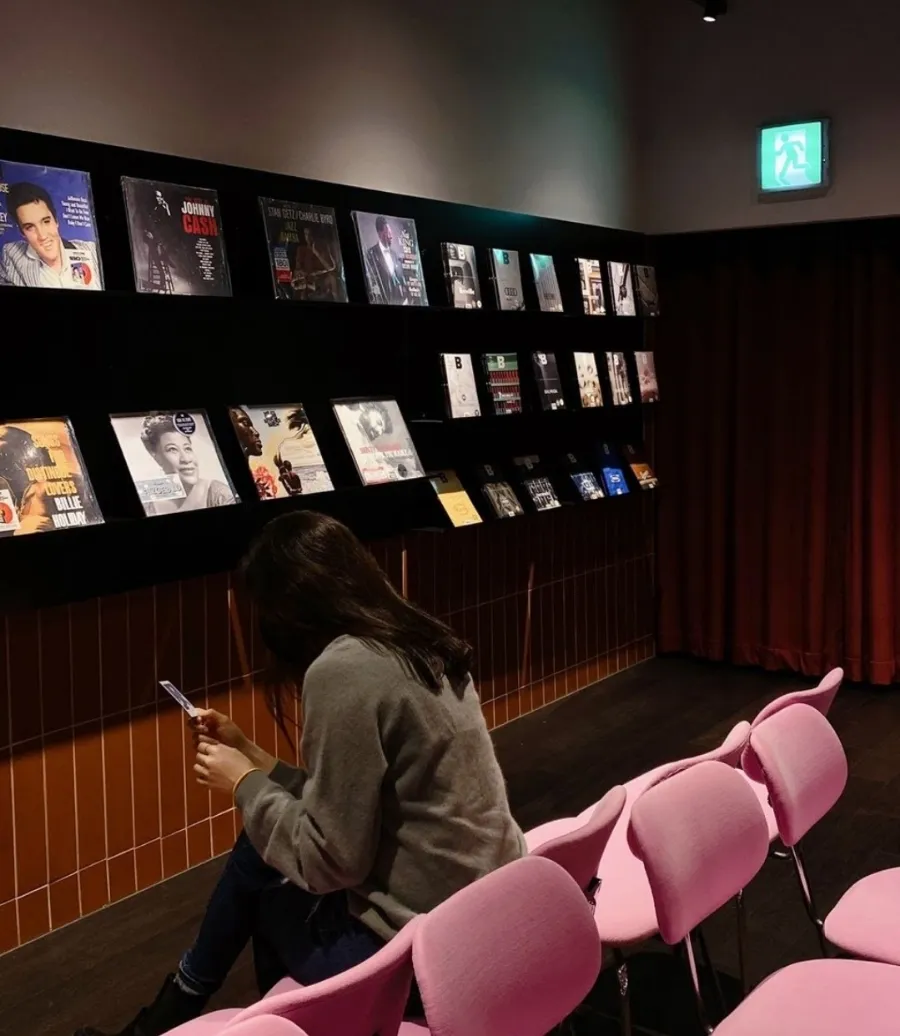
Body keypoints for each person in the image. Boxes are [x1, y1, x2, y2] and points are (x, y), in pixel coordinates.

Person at [76, 511, 525, 1036]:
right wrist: (249, 754)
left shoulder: (343, 671)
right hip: (493, 913)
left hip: (422, 957)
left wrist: (243, 785)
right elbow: (350, 799)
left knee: (262, 884)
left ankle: (195, 1012)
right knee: (261, 847)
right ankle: (173, 1010)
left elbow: (332, 861)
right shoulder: (416, 639)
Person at [0, 181, 101, 289]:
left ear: (56, 220)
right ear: (22, 232)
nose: (42, 236)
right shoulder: (11, 254)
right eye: (30, 227)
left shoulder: (91, 251)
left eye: (46, 221)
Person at [139, 414, 235, 514]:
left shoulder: (220, 495)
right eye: (172, 449)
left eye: (187, 448)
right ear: (156, 457)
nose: (186, 459)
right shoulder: (147, 503)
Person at [363, 215, 408, 305]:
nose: (391, 236)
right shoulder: (371, 254)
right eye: (388, 233)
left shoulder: (394, 254)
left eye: (391, 233)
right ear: (380, 233)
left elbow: (399, 280)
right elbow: (371, 282)